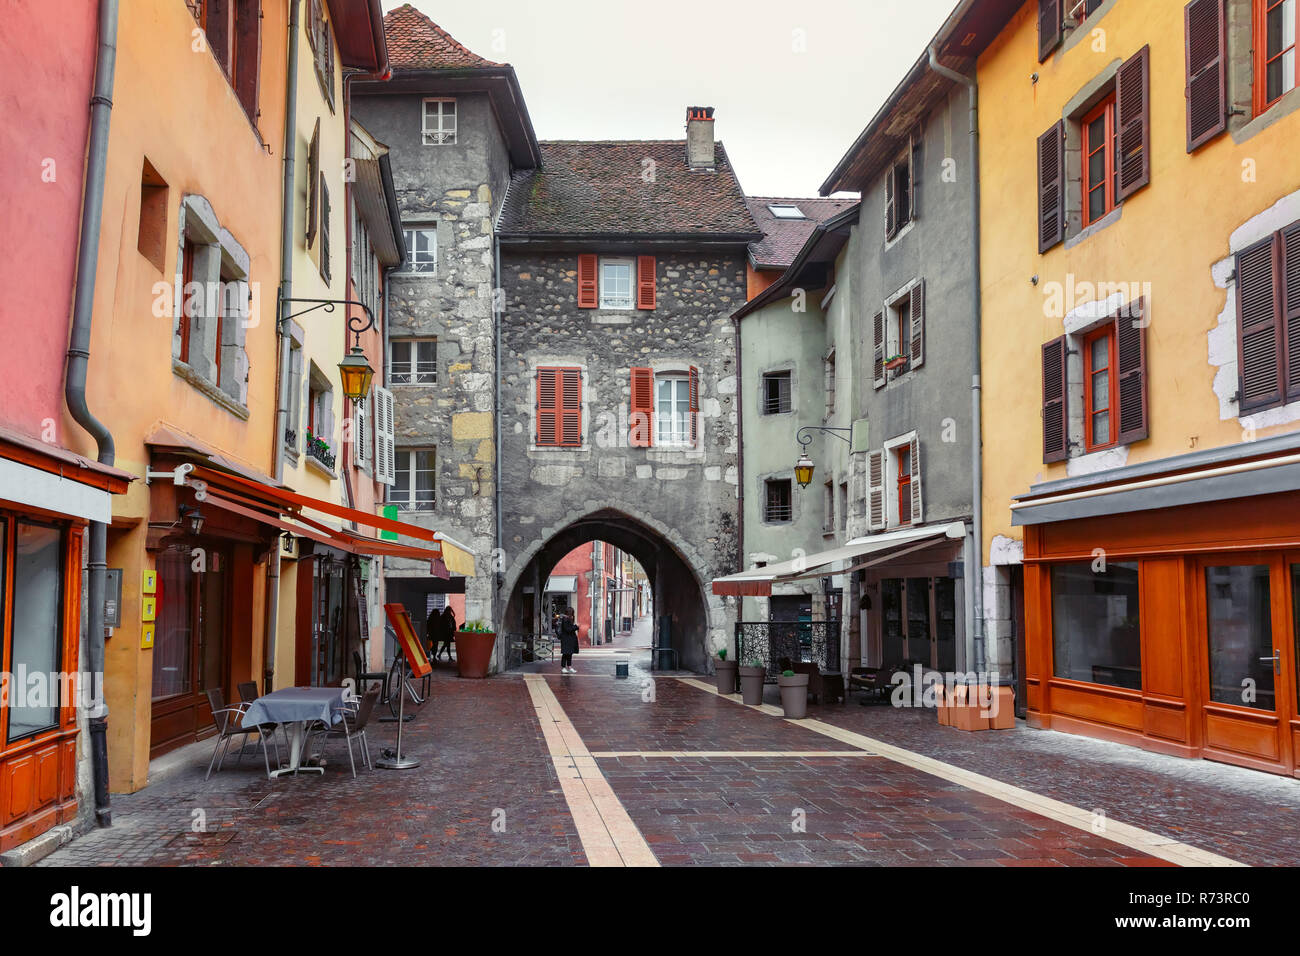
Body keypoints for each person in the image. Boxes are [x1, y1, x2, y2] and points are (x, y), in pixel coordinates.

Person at [559, 606, 580, 674]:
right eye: (572, 613)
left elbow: (569, 628)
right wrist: (576, 626)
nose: (573, 614)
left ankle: (569, 667)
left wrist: (575, 626)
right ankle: (563, 667)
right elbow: (568, 629)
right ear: (570, 613)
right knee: (565, 653)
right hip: (566, 639)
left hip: (569, 639)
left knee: (569, 653)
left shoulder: (568, 619)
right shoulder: (565, 619)